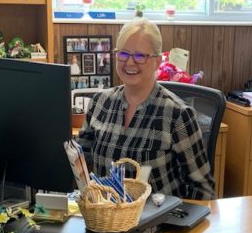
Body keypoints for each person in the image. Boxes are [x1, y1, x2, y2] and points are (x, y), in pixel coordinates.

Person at [76, 18, 215, 200]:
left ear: (157, 62)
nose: (130, 63)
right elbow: (79, 162)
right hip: (105, 220)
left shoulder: (177, 115)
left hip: (158, 222)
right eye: (123, 54)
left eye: (140, 56)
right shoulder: (100, 103)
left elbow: (203, 190)